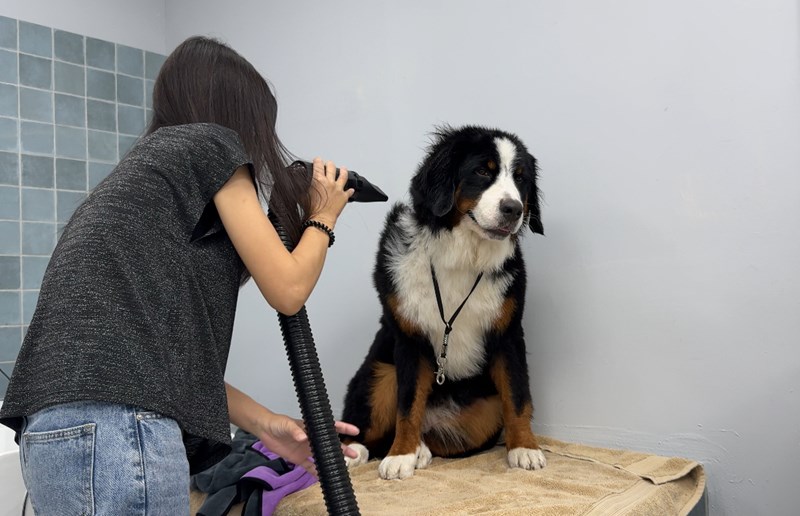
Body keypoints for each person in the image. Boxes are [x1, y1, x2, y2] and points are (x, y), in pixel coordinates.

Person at [0, 36, 359, 514]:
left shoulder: (143, 186)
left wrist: (266, 423)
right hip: (115, 431)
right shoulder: (210, 142)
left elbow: (160, 366)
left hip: (54, 437)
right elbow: (289, 290)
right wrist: (324, 216)